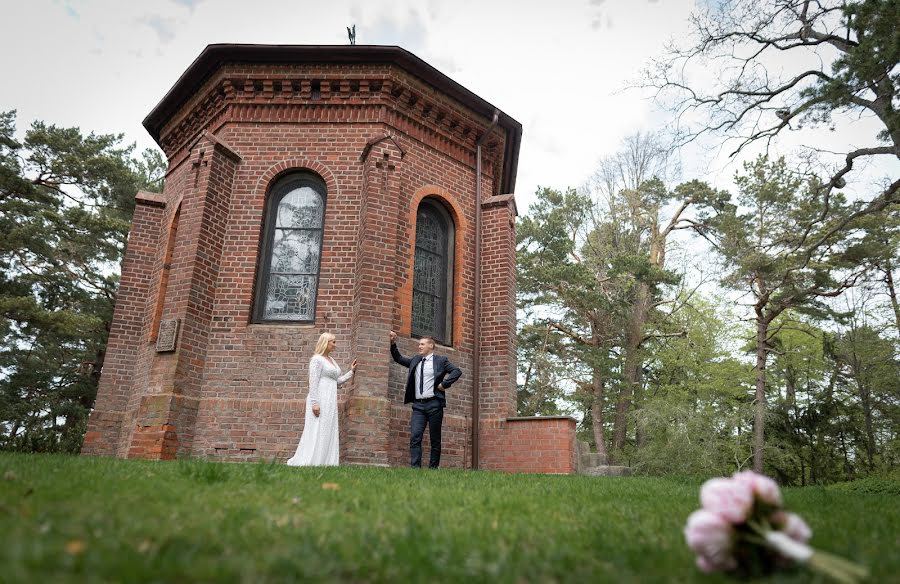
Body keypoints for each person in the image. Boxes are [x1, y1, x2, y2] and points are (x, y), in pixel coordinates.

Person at [389, 330, 462, 468]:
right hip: (418, 406)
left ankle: (433, 469)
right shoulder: (416, 360)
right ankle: (415, 468)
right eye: (419, 344)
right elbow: (399, 358)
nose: (419, 346)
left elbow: (456, 371)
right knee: (415, 437)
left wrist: (444, 384)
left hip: (434, 404)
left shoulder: (441, 361)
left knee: (435, 439)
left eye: (422, 344)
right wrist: (393, 344)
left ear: (431, 346)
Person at [287, 332, 356, 466]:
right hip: (320, 399)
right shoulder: (317, 360)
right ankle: (310, 460)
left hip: (330, 400)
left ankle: (326, 461)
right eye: (333, 342)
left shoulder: (332, 360)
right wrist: (315, 403)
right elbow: (313, 382)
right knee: (316, 429)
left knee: (327, 429)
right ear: (326, 342)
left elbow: (336, 381)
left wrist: (351, 372)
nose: (335, 345)